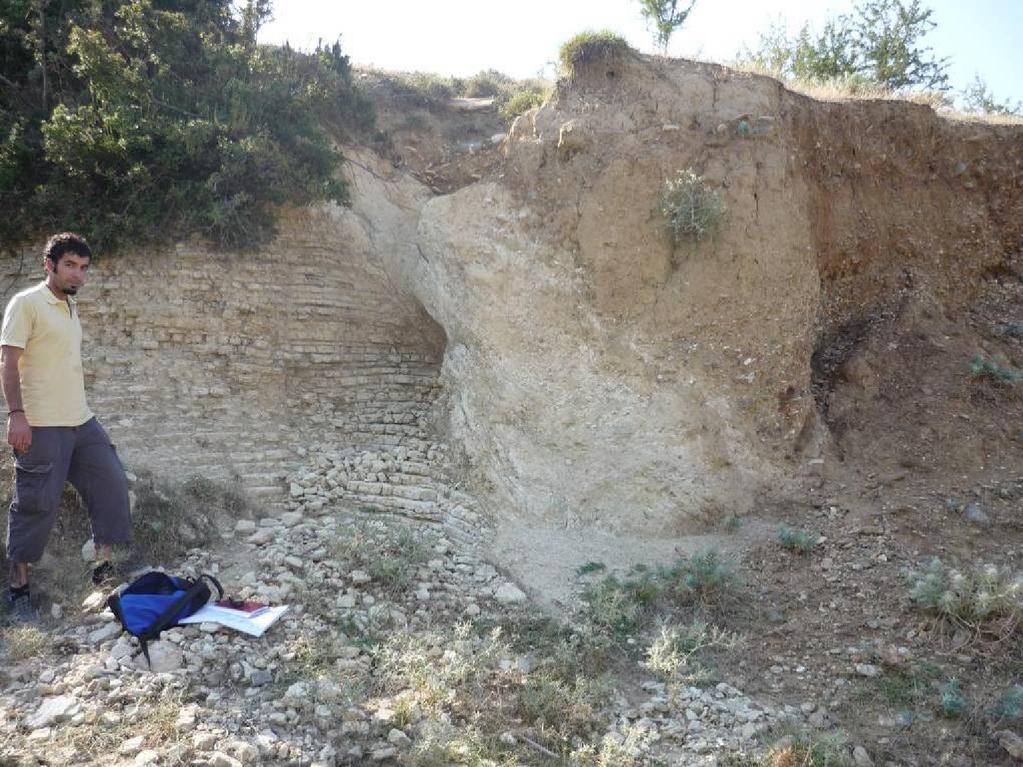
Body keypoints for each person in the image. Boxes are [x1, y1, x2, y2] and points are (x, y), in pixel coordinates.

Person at [1, 232, 131, 622]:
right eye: (71, 266)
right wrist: (16, 415)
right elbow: (8, 361)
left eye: (84, 268)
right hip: (41, 424)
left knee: (111, 484)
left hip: (81, 420)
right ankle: (18, 588)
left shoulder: (69, 308)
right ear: (50, 266)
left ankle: (103, 572)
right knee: (35, 504)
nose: (78, 275)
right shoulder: (27, 304)